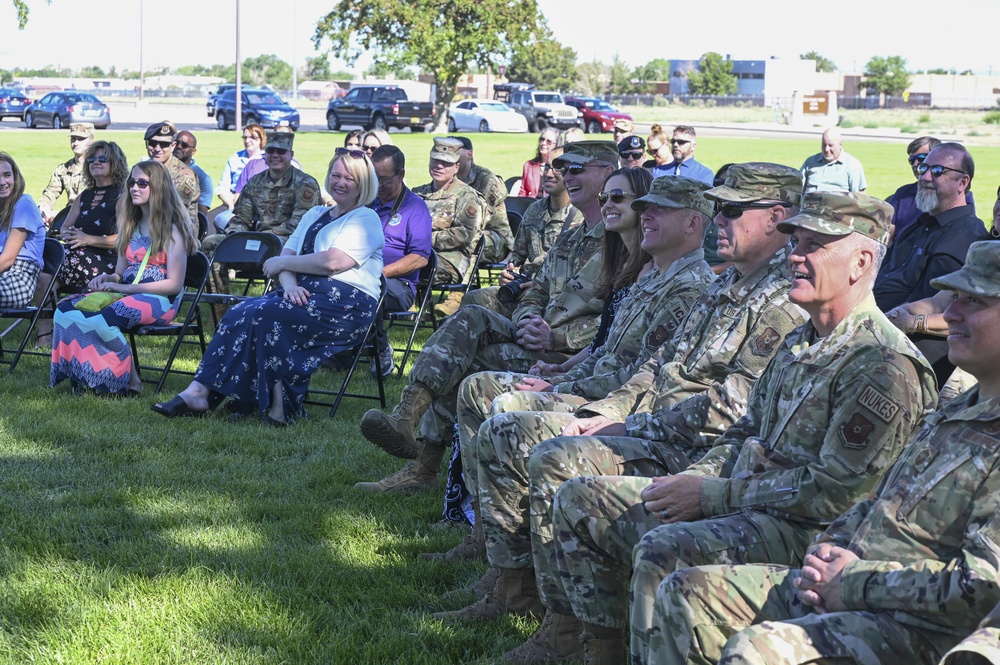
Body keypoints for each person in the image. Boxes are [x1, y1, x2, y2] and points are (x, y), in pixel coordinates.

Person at [429, 164, 808, 649]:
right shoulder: (726, 285)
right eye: (717, 208)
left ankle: (568, 628)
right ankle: (520, 591)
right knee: (514, 424)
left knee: (547, 450)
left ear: (777, 217)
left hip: (700, 449)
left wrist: (625, 418)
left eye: (731, 210)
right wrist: (609, 410)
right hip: (652, 422)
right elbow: (659, 364)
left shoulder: (782, 299)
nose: (718, 220)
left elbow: (734, 405)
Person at [652, 241, 1000, 665]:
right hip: (858, 581)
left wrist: (852, 582)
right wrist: (831, 555)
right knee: (689, 593)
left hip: (925, 629)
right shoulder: (963, 410)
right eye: (956, 299)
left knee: (755, 650)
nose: (950, 315)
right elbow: (877, 503)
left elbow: (981, 587)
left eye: (976, 301)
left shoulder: (885, 364)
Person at [429, 175, 713, 562]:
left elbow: (641, 373)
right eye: (643, 208)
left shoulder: (690, 288)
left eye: (658, 210)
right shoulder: (651, 276)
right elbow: (605, 352)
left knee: (506, 415)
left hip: (620, 406)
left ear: (692, 223)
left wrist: (562, 387)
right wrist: (559, 378)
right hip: (592, 386)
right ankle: (488, 538)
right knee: (479, 387)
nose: (645, 216)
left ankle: (514, 572)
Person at [354, 141, 616, 493]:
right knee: (473, 315)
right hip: (537, 336)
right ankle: (407, 423)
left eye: (577, 169)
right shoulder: (572, 237)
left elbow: (618, 321)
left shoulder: (622, 243)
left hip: (570, 358)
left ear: (608, 174)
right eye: (564, 168)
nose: (566, 176)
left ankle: (423, 465)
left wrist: (555, 338)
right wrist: (527, 320)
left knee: (465, 361)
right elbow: (537, 289)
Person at [152, 148, 384, 425]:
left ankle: (275, 407)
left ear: (364, 184)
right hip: (301, 293)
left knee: (265, 316)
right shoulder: (316, 214)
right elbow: (286, 257)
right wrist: (288, 286)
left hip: (345, 306)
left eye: (350, 178)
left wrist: (281, 267)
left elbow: (333, 262)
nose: (340, 183)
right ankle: (199, 391)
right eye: (336, 175)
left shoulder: (365, 218)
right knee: (240, 311)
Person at [50, 160, 198, 396]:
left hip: (160, 300)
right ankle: (88, 375)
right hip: (125, 291)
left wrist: (123, 288)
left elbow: (175, 284)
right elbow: (120, 270)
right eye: (131, 182)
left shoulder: (172, 229)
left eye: (142, 183)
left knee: (104, 319)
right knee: (66, 309)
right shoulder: (130, 224)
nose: (134, 188)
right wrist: (108, 277)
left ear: (158, 187)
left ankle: (129, 382)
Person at [875, 142, 989, 388]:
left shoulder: (964, 236)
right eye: (923, 167)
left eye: (937, 171)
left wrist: (871, 330)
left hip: (900, 359)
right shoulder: (921, 224)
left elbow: (936, 309)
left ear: (963, 183)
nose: (924, 176)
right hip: (875, 335)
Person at [462, 148, 579, 317]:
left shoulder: (580, 216)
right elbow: (518, 256)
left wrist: (540, 287)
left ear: (571, 173)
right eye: (546, 167)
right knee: (473, 300)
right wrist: (508, 274)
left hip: (555, 297)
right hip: (522, 289)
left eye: (557, 169)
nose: (548, 174)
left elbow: (579, 274)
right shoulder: (535, 210)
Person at [34, 141, 129, 347]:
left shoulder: (121, 197)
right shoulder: (84, 196)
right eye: (92, 159)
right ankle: (45, 335)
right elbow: (65, 227)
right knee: (42, 274)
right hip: (74, 258)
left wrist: (89, 239)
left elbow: (124, 239)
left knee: (47, 267)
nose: (96, 162)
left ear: (115, 163)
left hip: (105, 262)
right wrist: (71, 236)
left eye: (102, 159)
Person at [368, 144, 432, 377]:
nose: (378, 186)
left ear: (401, 175)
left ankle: (381, 349)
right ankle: (344, 350)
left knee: (369, 289)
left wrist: (380, 273)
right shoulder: (367, 201)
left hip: (398, 286)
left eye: (384, 180)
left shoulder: (415, 207)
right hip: (361, 273)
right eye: (373, 179)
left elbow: (419, 258)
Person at [201, 132, 320, 254]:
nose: (275, 155)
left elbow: (300, 223)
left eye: (281, 151)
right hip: (259, 238)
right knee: (211, 243)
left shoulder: (305, 184)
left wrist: (267, 235)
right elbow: (242, 217)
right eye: (270, 151)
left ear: (291, 154)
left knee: (270, 248)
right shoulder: (255, 182)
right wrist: (234, 235)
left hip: (290, 241)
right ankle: (220, 273)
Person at [411, 137, 485, 318]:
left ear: (456, 167)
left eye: (446, 163)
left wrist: (426, 239)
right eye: (435, 160)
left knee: (406, 266)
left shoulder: (466, 196)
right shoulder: (417, 192)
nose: (439, 166)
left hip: (450, 259)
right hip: (416, 253)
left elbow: (465, 234)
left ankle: (407, 299)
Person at [452, 135, 513, 264]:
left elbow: (478, 220)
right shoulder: (448, 179)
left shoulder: (487, 180)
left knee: (461, 246)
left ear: (469, 154)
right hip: (459, 233)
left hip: (494, 239)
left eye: (456, 150)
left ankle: (460, 282)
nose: (450, 155)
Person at [0, 153, 46, 308]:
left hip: (20, 278)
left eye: (7, 175)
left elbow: (7, 258)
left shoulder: (24, 204)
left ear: (15, 177)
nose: (2, 182)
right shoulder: (2, 208)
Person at [143, 121, 200, 227]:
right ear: (146, 144)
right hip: (146, 228)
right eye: (153, 143)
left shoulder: (185, 175)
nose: (157, 149)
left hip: (178, 232)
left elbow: (172, 212)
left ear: (173, 146)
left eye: (164, 144)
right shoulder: (141, 170)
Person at [37, 122, 94, 225]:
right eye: (73, 139)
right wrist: (44, 209)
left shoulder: (97, 168)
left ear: (91, 140)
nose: (76, 143)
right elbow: (50, 193)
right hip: (68, 221)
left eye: (81, 139)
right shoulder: (63, 169)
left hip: (92, 220)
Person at [214, 124, 266, 233]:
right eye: (245, 137)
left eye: (252, 137)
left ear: (261, 139)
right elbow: (223, 187)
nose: (247, 140)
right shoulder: (235, 158)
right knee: (213, 220)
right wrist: (231, 205)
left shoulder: (266, 160)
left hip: (251, 205)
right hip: (230, 201)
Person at [801, 126, 867, 193]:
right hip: (810, 202)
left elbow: (859, 197)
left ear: (840, 145)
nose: (826, 149)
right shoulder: (810, 162)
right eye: (824, 145)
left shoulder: (852, 165)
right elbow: (797, 188)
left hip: (837, 202)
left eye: (830, 145)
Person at [173, 130, 213, 215]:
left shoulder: (203, 178)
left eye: (184, 145)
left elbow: (201, 215)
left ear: (193, 151)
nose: (179, 146)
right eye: (176, 143)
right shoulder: (162, 169)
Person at [322, 131, 365, 206]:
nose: (352, 147)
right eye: (350, 144)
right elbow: (325, 190)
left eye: (358, 145)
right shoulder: (338, 164)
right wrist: (330, 201)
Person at [519, 128, 560, 199]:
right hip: (531, 205)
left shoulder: (559, 167)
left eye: (548, 142)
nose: (543, 143)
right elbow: (523, 192)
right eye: (542, 139)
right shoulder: (529, 165)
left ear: (556, 145)